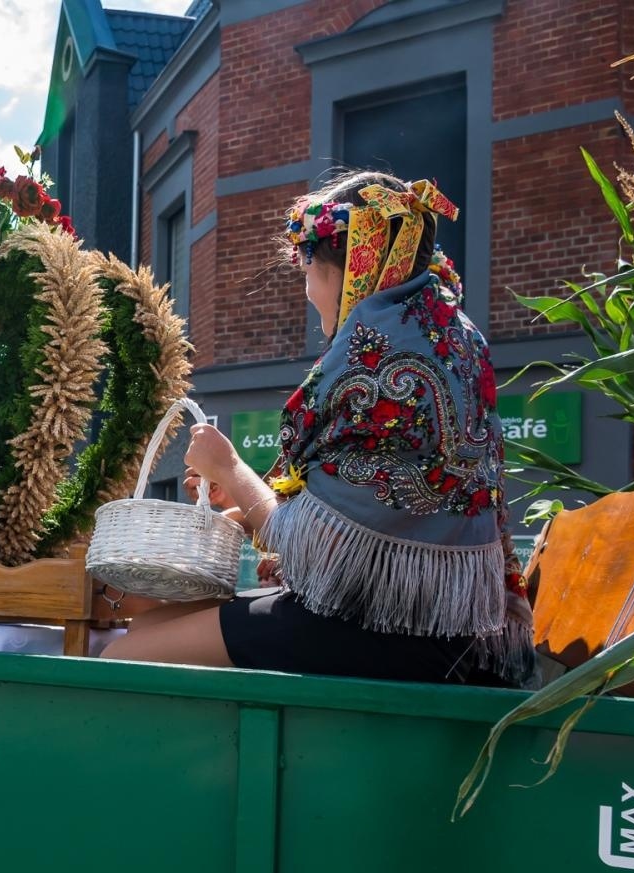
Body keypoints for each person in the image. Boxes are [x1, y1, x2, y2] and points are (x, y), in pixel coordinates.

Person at [103, 172, 534, 687]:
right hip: (436, 627)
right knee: (148, 626)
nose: (308, 291)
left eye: (309, 270)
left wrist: (230, 467)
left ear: (353, 270)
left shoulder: (374, 355)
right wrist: (244, 503)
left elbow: (315, 549)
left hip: (385, 630)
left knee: (124, 654)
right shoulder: (447, 334)